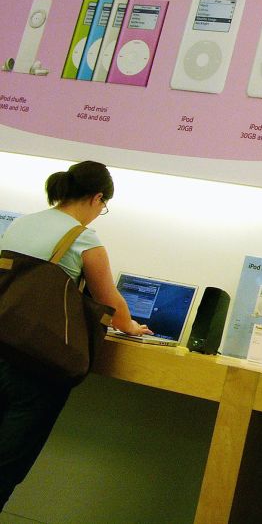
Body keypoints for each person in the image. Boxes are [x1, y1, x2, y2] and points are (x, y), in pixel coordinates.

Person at [0, 160, 150, 508]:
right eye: (104, 206)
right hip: (37, 365)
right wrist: (130, 326)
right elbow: (108, 300)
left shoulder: (21, 223)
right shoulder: (83, 238)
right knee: (8, 463)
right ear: (97, 198)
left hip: (3, 345)